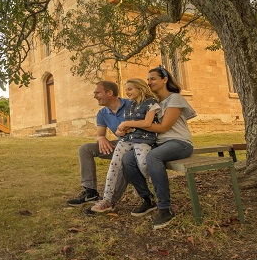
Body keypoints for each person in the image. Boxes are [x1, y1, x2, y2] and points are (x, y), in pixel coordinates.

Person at [120, 66, 196, 229]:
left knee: (153, 157)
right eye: (148, 79)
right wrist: (130, 127)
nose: (149, 82)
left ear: (164, 79)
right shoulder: (151, 102)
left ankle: (165, 208)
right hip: (157, 143)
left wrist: (132, 125)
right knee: (127, 159)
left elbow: (163, 127)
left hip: (179, 143)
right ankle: (148, 200)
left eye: (153, 78)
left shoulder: (174, 99)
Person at [89, 78, 160, 213]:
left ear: (140, 88)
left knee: (143, 164)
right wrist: (120, 130)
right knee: (114, 165)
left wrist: (127, 125)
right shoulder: (131, 106)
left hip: (143, 140)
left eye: (130, 89)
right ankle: (107, 199)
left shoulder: (150, 103)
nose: (127, 93)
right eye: (126, 90)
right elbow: (123, 127)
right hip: (126, 139)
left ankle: (143, 185)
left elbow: (147, 123)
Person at [66, 81, 131, 207]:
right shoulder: (102, 113)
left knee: (124, 159)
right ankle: (91, 192)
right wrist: (101, 138)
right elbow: (100, 134)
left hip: (135, 145)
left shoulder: (131, 105)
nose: (94, 96)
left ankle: (110, 200)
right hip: (119, 144)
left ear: (110, 93)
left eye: (97, 92)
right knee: (85, 149)